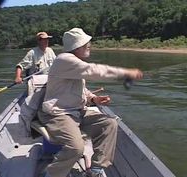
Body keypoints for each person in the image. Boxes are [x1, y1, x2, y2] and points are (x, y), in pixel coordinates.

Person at [38, 28, 143, 177]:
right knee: (76, 148)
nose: (89, 45)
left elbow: (80, 89)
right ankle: (50, 173)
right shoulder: (64, 59)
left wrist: (93, 99)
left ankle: (96, 170)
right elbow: (94, 70)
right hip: (59, 114)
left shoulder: (74, 63)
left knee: (109, 124)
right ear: (77, 45)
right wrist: (125, 73)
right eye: (86, 43)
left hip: (78, 111)